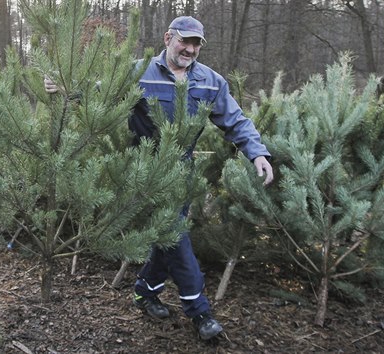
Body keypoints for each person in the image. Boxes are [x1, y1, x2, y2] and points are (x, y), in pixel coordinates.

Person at [45, 16, 274, 341]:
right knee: (174, 236)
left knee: (166, 239)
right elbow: (99, 94)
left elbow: (236, 120)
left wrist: (258, 153)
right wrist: (66, 88)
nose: (191, 49)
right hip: (143, 172)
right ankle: (200, 312)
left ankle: (145, 290)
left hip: (182, 174)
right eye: (185, 41)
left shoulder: (210, 81)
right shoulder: (138, 73)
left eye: (197, 44)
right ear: (168, 37)